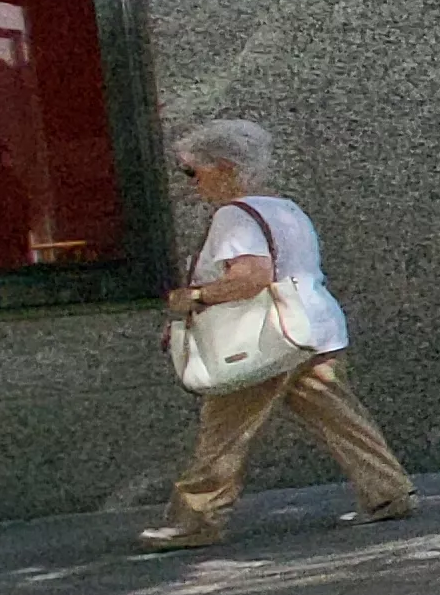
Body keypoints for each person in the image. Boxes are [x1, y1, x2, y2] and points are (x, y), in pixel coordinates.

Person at [141, 119, 417, 551]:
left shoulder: (234, 216)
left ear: (225, 167)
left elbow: (251, 276)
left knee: (224, 430)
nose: (191, 184)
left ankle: (196, 519)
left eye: (193, 172)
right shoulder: (285, 208)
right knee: (339, 416)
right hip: (311, 330)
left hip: (260, 342)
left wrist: (193, 296)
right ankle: (387, 492)